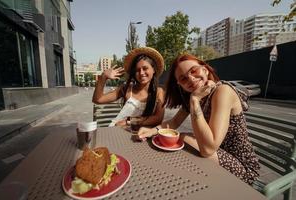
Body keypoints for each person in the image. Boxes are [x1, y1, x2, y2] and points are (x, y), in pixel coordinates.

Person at [138, 53, 260, 185]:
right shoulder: (196, 95)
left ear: (205, 70)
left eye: (194, 71)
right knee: (178, 140)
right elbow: (174, 122)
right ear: (180, 85)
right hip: (218, 156)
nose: (191, 78)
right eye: (183, 79)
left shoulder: (222, 91)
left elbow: (208, 149)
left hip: (242, 167)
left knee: (182, 138)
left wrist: (194, 101)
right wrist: (152, 131)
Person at [92, 47, 165, 127]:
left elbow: (158, 118)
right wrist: (103, 77)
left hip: (141, 134)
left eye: (145, 68)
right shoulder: (126, 88)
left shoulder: (159, 92)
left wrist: (129, 121)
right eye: (137, 70)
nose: (141, 73)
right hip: (117, 130)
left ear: (153, 70)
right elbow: (97, 99)